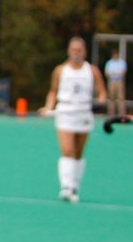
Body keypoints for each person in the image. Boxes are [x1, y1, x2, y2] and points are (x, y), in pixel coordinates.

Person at [41, 37, 106, 204]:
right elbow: (53, 91)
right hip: (66, 112)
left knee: (78, 152)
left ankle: (75, 185)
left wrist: (100, 102)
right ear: (69, 51)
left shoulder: (92, 71)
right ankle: (65, 186)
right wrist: (48, 107)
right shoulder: (60, 70)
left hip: (83, 113)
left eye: (79, 50)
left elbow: (102, 93)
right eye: (74, 50)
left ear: (84, 52)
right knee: (67, 150)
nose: (76, 53)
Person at [104, 49, 127, 117]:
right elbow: (107, 73)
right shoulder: (109, 63)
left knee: (121, 98)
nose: (115, 55)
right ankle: (111, 114)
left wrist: (114, 73)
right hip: (111, 82)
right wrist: (116, 73)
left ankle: (121, 115)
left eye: (116, 54)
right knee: (111, 98)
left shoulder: (122, 62)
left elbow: (123, 72)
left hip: (119, 82)